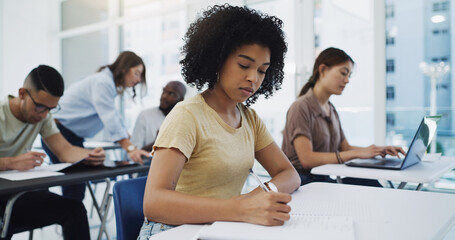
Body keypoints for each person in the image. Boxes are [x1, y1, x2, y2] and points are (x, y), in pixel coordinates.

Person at [138, 4, 300, 238]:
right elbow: (154, 204)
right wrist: (240, 208)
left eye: (262, 70)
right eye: (244, 65)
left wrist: (259, 195)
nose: (253, 78)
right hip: (173, 231)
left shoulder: (250, 119)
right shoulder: (187, 115)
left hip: (220, 227)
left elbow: (289, 174)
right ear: (217, 60)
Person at [0, 65, 106, 240]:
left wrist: (91, 155)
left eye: (51, 109)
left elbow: (65, 150)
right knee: (5, 222)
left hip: (16, 194)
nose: (44, 115)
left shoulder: (44, 117)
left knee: (74, 209)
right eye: (40, 107)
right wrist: (11, 162)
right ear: (22, 94)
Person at [282, 47, 405, 186]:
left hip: (323, 180)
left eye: (349, 76)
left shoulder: (331, 109)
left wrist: (376, 150)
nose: (347, 80)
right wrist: (357, 154)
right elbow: (307, 159)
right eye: (343, 73)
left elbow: (345, 147)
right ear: (322, 70)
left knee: (369, 184)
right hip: (304, 183)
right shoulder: (300, 107)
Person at [41, 51, 150, 201]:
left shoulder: (107, 84)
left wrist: (128, 141)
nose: (138, 80)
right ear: (124, 68)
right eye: (137, 73)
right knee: (74, 188)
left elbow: (115, 117)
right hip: (59, 133)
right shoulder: (102, 82)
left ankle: (72, 218)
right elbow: (109, 117)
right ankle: (69, 217)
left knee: (77, 187)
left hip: (71, 135)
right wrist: (130, 148)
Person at [131, 81, 187, 152]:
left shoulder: (185, 120)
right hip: (149, 162)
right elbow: (134, 153)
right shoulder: (145, 116)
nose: (164, 96)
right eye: (164, 91)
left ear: (181, 100)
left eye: (171, 94)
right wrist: (157, 142)